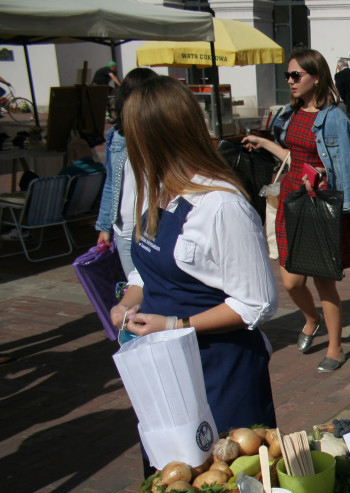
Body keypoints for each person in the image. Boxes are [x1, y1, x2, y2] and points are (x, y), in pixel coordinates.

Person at [109, 76, 278, 436]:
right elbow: (147, 273)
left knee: (227, 484)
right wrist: (127, 304)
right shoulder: (156, 192)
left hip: (219, 372)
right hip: (166, 373)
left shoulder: (221, 206)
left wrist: (174, 326)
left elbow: (256, 303)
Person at [243, 48, 350, 373]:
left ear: (316, 76)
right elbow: (293, 155)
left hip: (317, 204)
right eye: (288, 75)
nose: (290, 81)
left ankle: (336, 348)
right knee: (291, 281)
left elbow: (348, 167)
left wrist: (329, 185)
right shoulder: (290, 112)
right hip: (290, 200)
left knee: (324, 281)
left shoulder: (335, 118)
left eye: (295, 75)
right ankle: (311, 319)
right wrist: (264, 143)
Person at [95, 67, 159, 276]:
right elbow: (111, 182)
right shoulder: (117, 135)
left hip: (156, 226)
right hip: (124, 227)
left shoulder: (160, 131)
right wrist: (104, 226)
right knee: (134, 290)